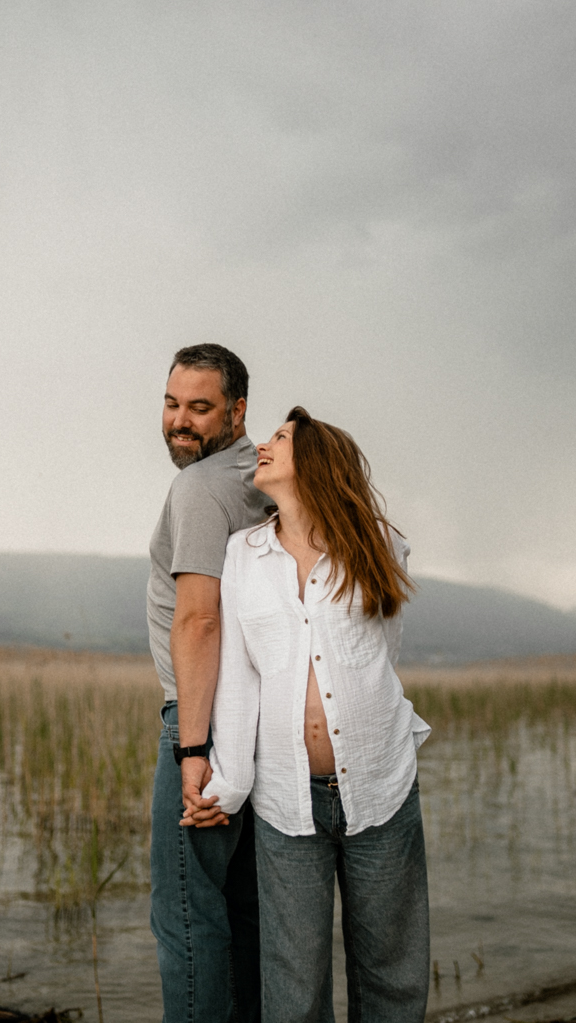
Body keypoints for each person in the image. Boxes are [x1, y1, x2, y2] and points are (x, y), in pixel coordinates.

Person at [183, 407, 431, 1023]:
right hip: (286, 801)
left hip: (380, 786)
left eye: (280, 438)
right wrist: (229, 784)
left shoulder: (377, 542)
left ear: (315, 460)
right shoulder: (243, 555)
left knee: (391, 975)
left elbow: (382, 656)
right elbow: (239, 677)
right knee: (294, 987)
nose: (263, 446)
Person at [147, 343, 273, 1023]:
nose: (179, 422)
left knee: (187, 915)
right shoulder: (267, 478)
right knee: (246, 911)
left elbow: (198, 620)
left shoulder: (199, 487)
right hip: (261, 722)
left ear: (237, 410)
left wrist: (191, 748)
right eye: (171, 404)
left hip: (203, 721)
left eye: (199, 407)